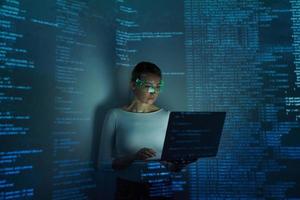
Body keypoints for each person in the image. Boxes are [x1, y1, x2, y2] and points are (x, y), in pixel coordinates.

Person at [98, 61, 191, 199]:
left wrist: (178, 165)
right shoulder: (115, 115)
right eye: (148, 86)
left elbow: (170, 166)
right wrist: (134, 157)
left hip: (162, 189)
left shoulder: (168, 116)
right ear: (133, 85)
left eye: (158, 87)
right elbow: (103, 164)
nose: (154, 92)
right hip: (128, 190)